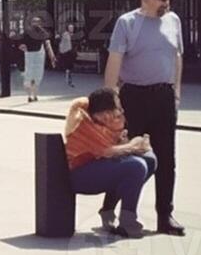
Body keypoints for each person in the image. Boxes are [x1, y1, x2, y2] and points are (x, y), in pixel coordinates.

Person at [104, 0, 185, 236]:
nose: (167, 3)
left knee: (166, 159)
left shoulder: (173, 21)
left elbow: (176, 57)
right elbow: (114, 62)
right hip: (134, 97)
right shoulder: (127, 23)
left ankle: (165, 215)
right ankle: (113, 208)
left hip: (163, 96)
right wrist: (110, 101)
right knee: (127, 157)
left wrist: (176, 93)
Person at [64, 87, 158, 238]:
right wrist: (134, 146)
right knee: (136, 166)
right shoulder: (84, 124)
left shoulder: (107, 122)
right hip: (80, 175)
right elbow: (107, 151)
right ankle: (128, 221)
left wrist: (132, 144)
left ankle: (108, 210)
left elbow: (116, 148)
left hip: (99, 167)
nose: (120, 112)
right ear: (104, 114)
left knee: (149, 159)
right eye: (117, 108)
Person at [20, 18, 56, 102]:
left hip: (29, 56)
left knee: (29, 76)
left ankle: (29, 96)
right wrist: (52, 57)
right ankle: (35, 95)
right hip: (39, 55)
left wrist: (24, 50)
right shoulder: (42, 32)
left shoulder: (27, 32)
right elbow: (47, 44)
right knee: (37, 77)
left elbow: (21, 45)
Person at [59, 22, 78, 87]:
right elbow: (63, 42)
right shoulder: (65, 34)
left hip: (72, 52)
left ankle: (69, 78)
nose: (71, 29)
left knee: (70, 67)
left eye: (72, 28)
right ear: (67, 28)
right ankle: (69, 79)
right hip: (66, 52)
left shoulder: (73, 35)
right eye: (70, 28)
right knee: (68, 66)